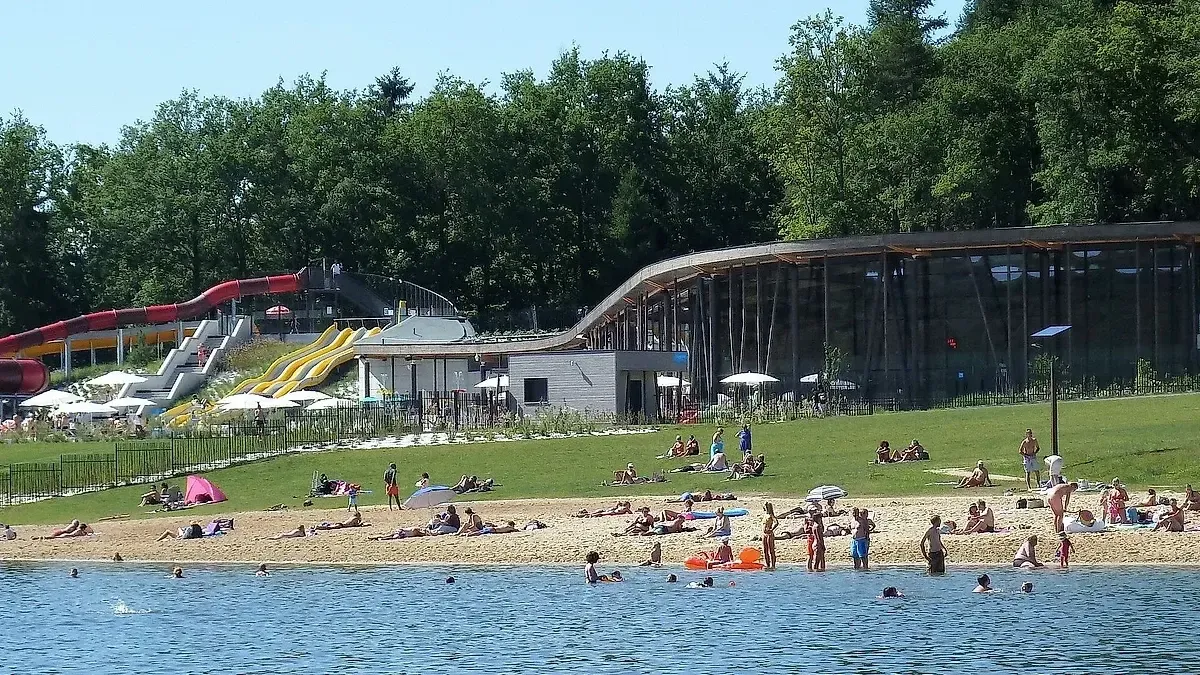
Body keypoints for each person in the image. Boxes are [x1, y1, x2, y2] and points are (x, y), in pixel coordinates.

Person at [762, 502, 778, 571]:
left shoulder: (771, 515)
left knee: (771, 550)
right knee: (765, 550)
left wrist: (772, 529)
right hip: (764, 534)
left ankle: (773, 565)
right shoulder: (765, 515)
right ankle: (767, 564)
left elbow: (776, 522)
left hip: (769, 534)